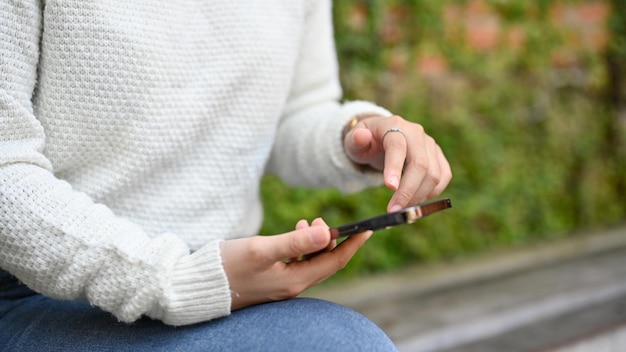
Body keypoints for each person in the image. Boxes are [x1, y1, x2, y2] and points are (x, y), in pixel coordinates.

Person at [0, 1, 451, 351]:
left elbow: (294, 111)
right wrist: (176, 280)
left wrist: (356, 137)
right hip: (35, 294)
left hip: (223, 288)